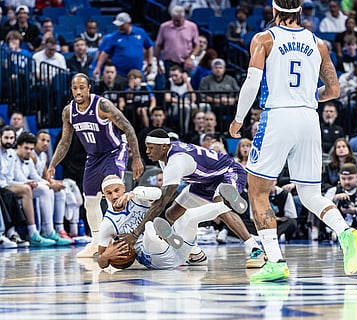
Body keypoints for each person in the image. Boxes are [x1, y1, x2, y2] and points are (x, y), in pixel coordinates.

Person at [229, 0, 357, 282]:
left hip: (278, 117)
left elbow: (252, 82)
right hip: (308, 119)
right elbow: (335, 89)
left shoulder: (264, 38)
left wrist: (239, 119)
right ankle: (345, 232)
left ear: (274, 11)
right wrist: (305, 98)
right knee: (310, 194)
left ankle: (276, 261)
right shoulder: (318, 43)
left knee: (258, 192)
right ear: (300, 11)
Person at [121, 129, 263, 267]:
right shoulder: (164, 157)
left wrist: (135, 234)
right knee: (172, 213)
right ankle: (195, 253)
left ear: (164, 147)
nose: (147, 151)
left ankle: (255, 249)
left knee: (219, 208)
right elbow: (168, 195)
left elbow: (161, 202)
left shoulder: (176, 161)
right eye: (146, 147)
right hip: (203, 181)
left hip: (228, 172)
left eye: (151, 148)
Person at [46, 73, 144, 258]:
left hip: (115, 151)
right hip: (93, 157)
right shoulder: (69, 111)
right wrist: (52, 165)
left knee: (112, 191)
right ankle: (97, 242)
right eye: (75, 88)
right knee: (90, 200)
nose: (78, 91)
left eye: (82, 87)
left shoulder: (102, 105)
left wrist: (137, 158)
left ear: (89, 87)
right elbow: (65, 141)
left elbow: (128, 127)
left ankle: (126, 238)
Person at [98, 174, 247, 270]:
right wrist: (105, 257)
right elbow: (101, 262)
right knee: (150, 227)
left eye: (117, 190)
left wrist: (133, 193)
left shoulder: (137, 196)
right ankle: (165, 235)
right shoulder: (107, 223)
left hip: (180, 253)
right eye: (109, 193)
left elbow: (158, 194)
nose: (114, 195)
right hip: (156, 258)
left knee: (189, 216)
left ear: (123, 188)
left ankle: (225, 204)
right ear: (104, 195)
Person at [14, 132, 73, 246]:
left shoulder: (40, 156)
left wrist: (52, 183)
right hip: (18, 186)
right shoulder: (23, 156)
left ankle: (58, 228)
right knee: (45, 189)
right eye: (42, 140)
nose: (45, 143)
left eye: (48, 141)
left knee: (60, 190)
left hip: (27, 185)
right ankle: (45, 231)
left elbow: (38, 177)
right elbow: (21, 178)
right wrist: (49, 185)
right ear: (19, 146)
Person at [93, 12, 154, 80]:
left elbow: (149, 46)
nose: (120, 27)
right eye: (118, 25)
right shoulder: (114, 36)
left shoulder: (140, 32)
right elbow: (105, 53)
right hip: (119, 73)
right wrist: (98, 67)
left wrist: (150, 63)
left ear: (129, 23)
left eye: (122, 25)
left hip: (137, 72)